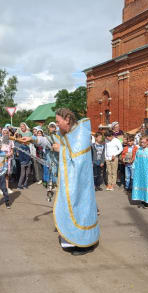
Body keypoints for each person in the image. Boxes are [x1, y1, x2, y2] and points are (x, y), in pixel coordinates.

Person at [52, 108, 99, 255]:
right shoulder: (68, 133)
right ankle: (73, 241)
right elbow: (54, 139)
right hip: (71, 180)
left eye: (58, 122)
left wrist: (62, 150)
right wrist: (33, 139)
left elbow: (78, 160)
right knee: (70, 207)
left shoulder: (81, 134)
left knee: (81, 209)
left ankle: (84, 244)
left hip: (80, 181)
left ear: (67, 119)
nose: (57, 125)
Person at [132, 136, 148, 208]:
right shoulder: (139, 150)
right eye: (141, 142)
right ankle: (142, 200)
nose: (142, 143)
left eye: (143, 142)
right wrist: (134, 169)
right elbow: (136, 160)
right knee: (141, 185)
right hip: (139, 172)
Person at [1, 128, 14, 194]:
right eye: (4, 133)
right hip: (1, 159)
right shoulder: (0, 139)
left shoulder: (11, 140)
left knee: (7, 174)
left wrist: (10, 153)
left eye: (6, 133)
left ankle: (7, 187)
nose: (5, 134)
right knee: (1, 173)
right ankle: (2, 188)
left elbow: (12, 149)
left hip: (8, 158)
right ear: (2, 133)